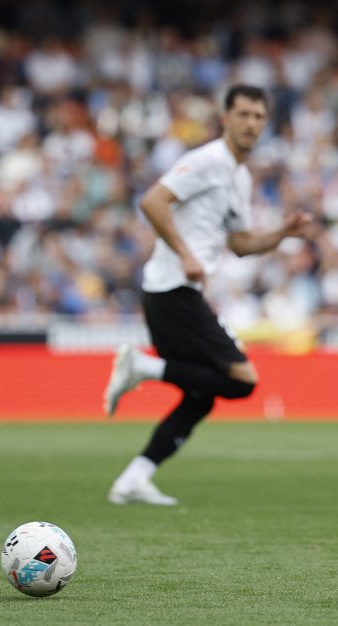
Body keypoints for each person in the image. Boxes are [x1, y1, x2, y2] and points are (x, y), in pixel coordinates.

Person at [103, 84, 311, 506]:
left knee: (202, 398)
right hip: (171, 289)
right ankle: (143, 366)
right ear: (225, 118)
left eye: (258, 116)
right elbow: (153, 201)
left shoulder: (239, 176)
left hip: (179, 293)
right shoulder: (208, 160)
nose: (251, 123)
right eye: (244, 114)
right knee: (242, 381)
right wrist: (186, 254)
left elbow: (241, 243)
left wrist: (282, 233)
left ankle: (134, 478)